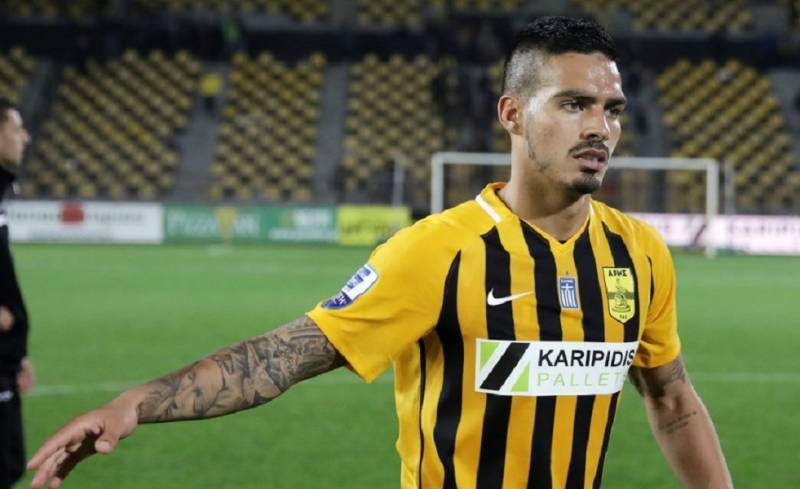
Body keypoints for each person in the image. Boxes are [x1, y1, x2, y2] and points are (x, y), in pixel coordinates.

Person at [27, 17, 732, 489]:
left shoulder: (639, 253)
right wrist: (136, 403)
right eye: (574, 104)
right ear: (512, 114)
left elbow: (671, 399)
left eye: (611, 109)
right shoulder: (438, 251)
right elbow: (284, 356)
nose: (600, 127)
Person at [0, 98, 34, 489]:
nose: (25, 137)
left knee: (9, 465)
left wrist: (16, 354)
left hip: (4, 363)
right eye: (16, 128)